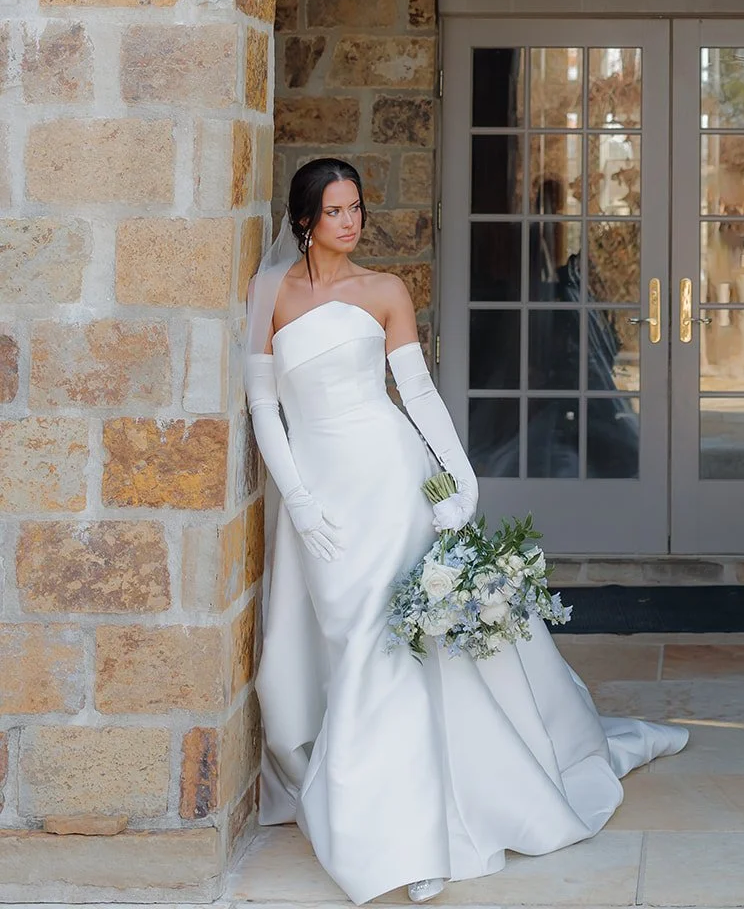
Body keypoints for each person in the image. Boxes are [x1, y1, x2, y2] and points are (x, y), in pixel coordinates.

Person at [247, 157, 687, 907]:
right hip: (322, 497)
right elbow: (263, 406)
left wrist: (462, 477)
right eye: (335, 212)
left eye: (357, 208)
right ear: (303, 222)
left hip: (391, 481)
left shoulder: (386, 291)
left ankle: (408, 841)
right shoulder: (270, 296)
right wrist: (299, 497)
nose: (350, 222)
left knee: (385, 649)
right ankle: (390, 820)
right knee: (349, 639)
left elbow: (414, 391)